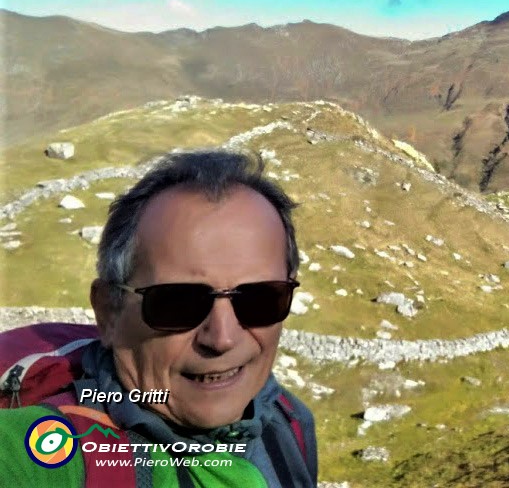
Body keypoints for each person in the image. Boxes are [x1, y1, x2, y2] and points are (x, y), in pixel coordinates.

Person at [0, 150, 318, 486]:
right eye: (178, 303)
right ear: (109, 311)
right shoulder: (59, 454)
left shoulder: (288, 419)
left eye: (260, 298)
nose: (222, 338)